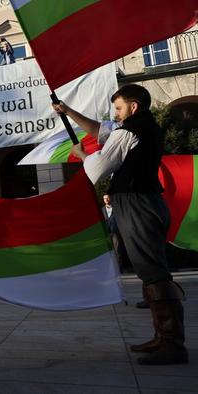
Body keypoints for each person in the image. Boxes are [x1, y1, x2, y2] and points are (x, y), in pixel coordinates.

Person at [54, 83, 187, 365]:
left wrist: (82, 156)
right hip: (146, 200)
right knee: (152, 268)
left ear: (133, 106)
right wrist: (68, 111)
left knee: (152, 272)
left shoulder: (128, 131)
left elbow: (99, 167)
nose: (115, 114)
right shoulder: (142, 126)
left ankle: (172, 343)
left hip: (135, 203)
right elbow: (100, 131)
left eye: (118, 108)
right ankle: (162, 337)